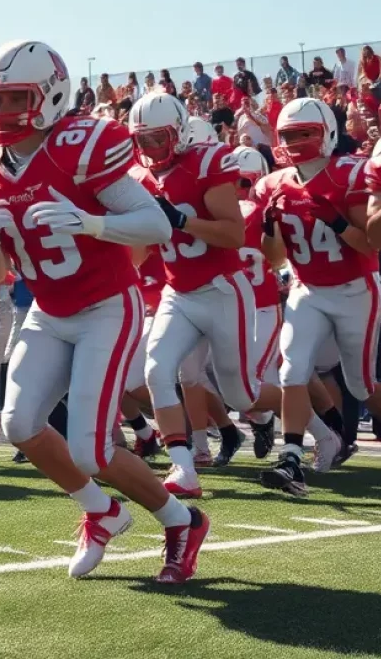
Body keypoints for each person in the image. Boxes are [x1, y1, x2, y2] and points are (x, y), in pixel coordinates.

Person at [0, 40, 208, 585]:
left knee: (92, 448)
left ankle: (182, 519)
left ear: (49, 96)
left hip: (104, 308)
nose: (1, 113)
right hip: (48, 310)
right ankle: (102, 511)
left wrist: (91, 223)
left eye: (15, 98)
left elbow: (157, 226)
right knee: (19, 424)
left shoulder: (81, 145)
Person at [128, 95, 273, 496]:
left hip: (223, 289)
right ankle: (183, 468)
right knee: (158, 371)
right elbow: (140, 248)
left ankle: (294, 411)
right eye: (142, 140)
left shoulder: (207, 161)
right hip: (179, 291)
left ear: (179, 133)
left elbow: (232, 233)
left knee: (239, 394)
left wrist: (181, 219)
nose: (150, 149)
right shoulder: (140, 178)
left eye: (158, 138)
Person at [257, 99, 381, 495]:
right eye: (288, 136)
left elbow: (368, 244)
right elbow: (274, 257)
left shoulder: (349, 173)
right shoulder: (275, 184)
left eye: (304, 134)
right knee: (291, 370)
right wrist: (269, 227)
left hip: (353, 289)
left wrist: (332, 218)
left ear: (327, 132)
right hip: (307, 289)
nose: (295, 143)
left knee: (363, 383)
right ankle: (292, 458)